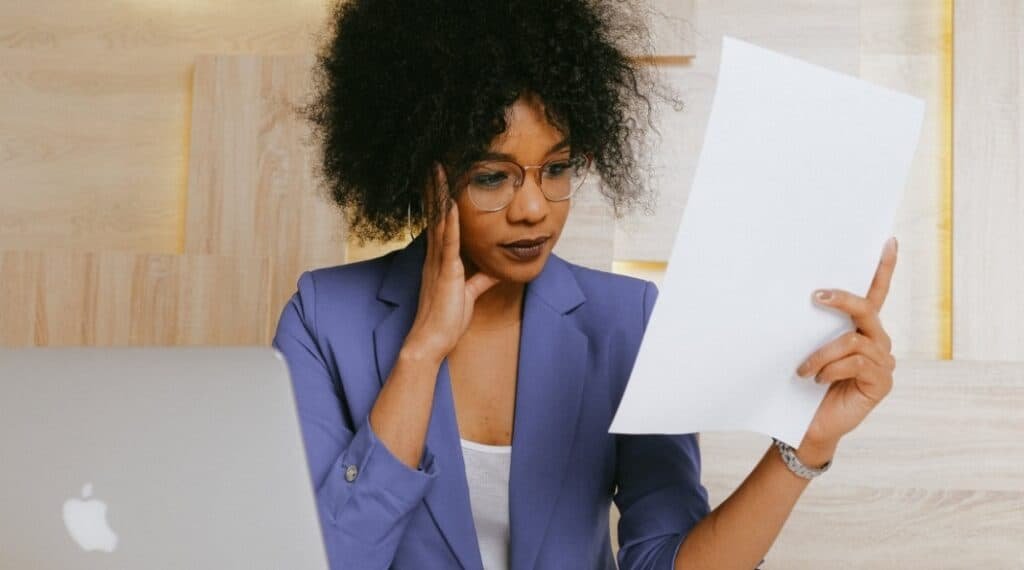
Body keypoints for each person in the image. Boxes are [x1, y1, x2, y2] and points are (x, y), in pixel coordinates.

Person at [271, 1, 899, 568]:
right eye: (493, 177)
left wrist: (807, 443)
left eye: (557, 168)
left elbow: (665, 563)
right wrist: (421, 353)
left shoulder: (626, 322)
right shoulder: (324, 320)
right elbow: (328, 561)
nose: (534, 208)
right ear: (420, 172)